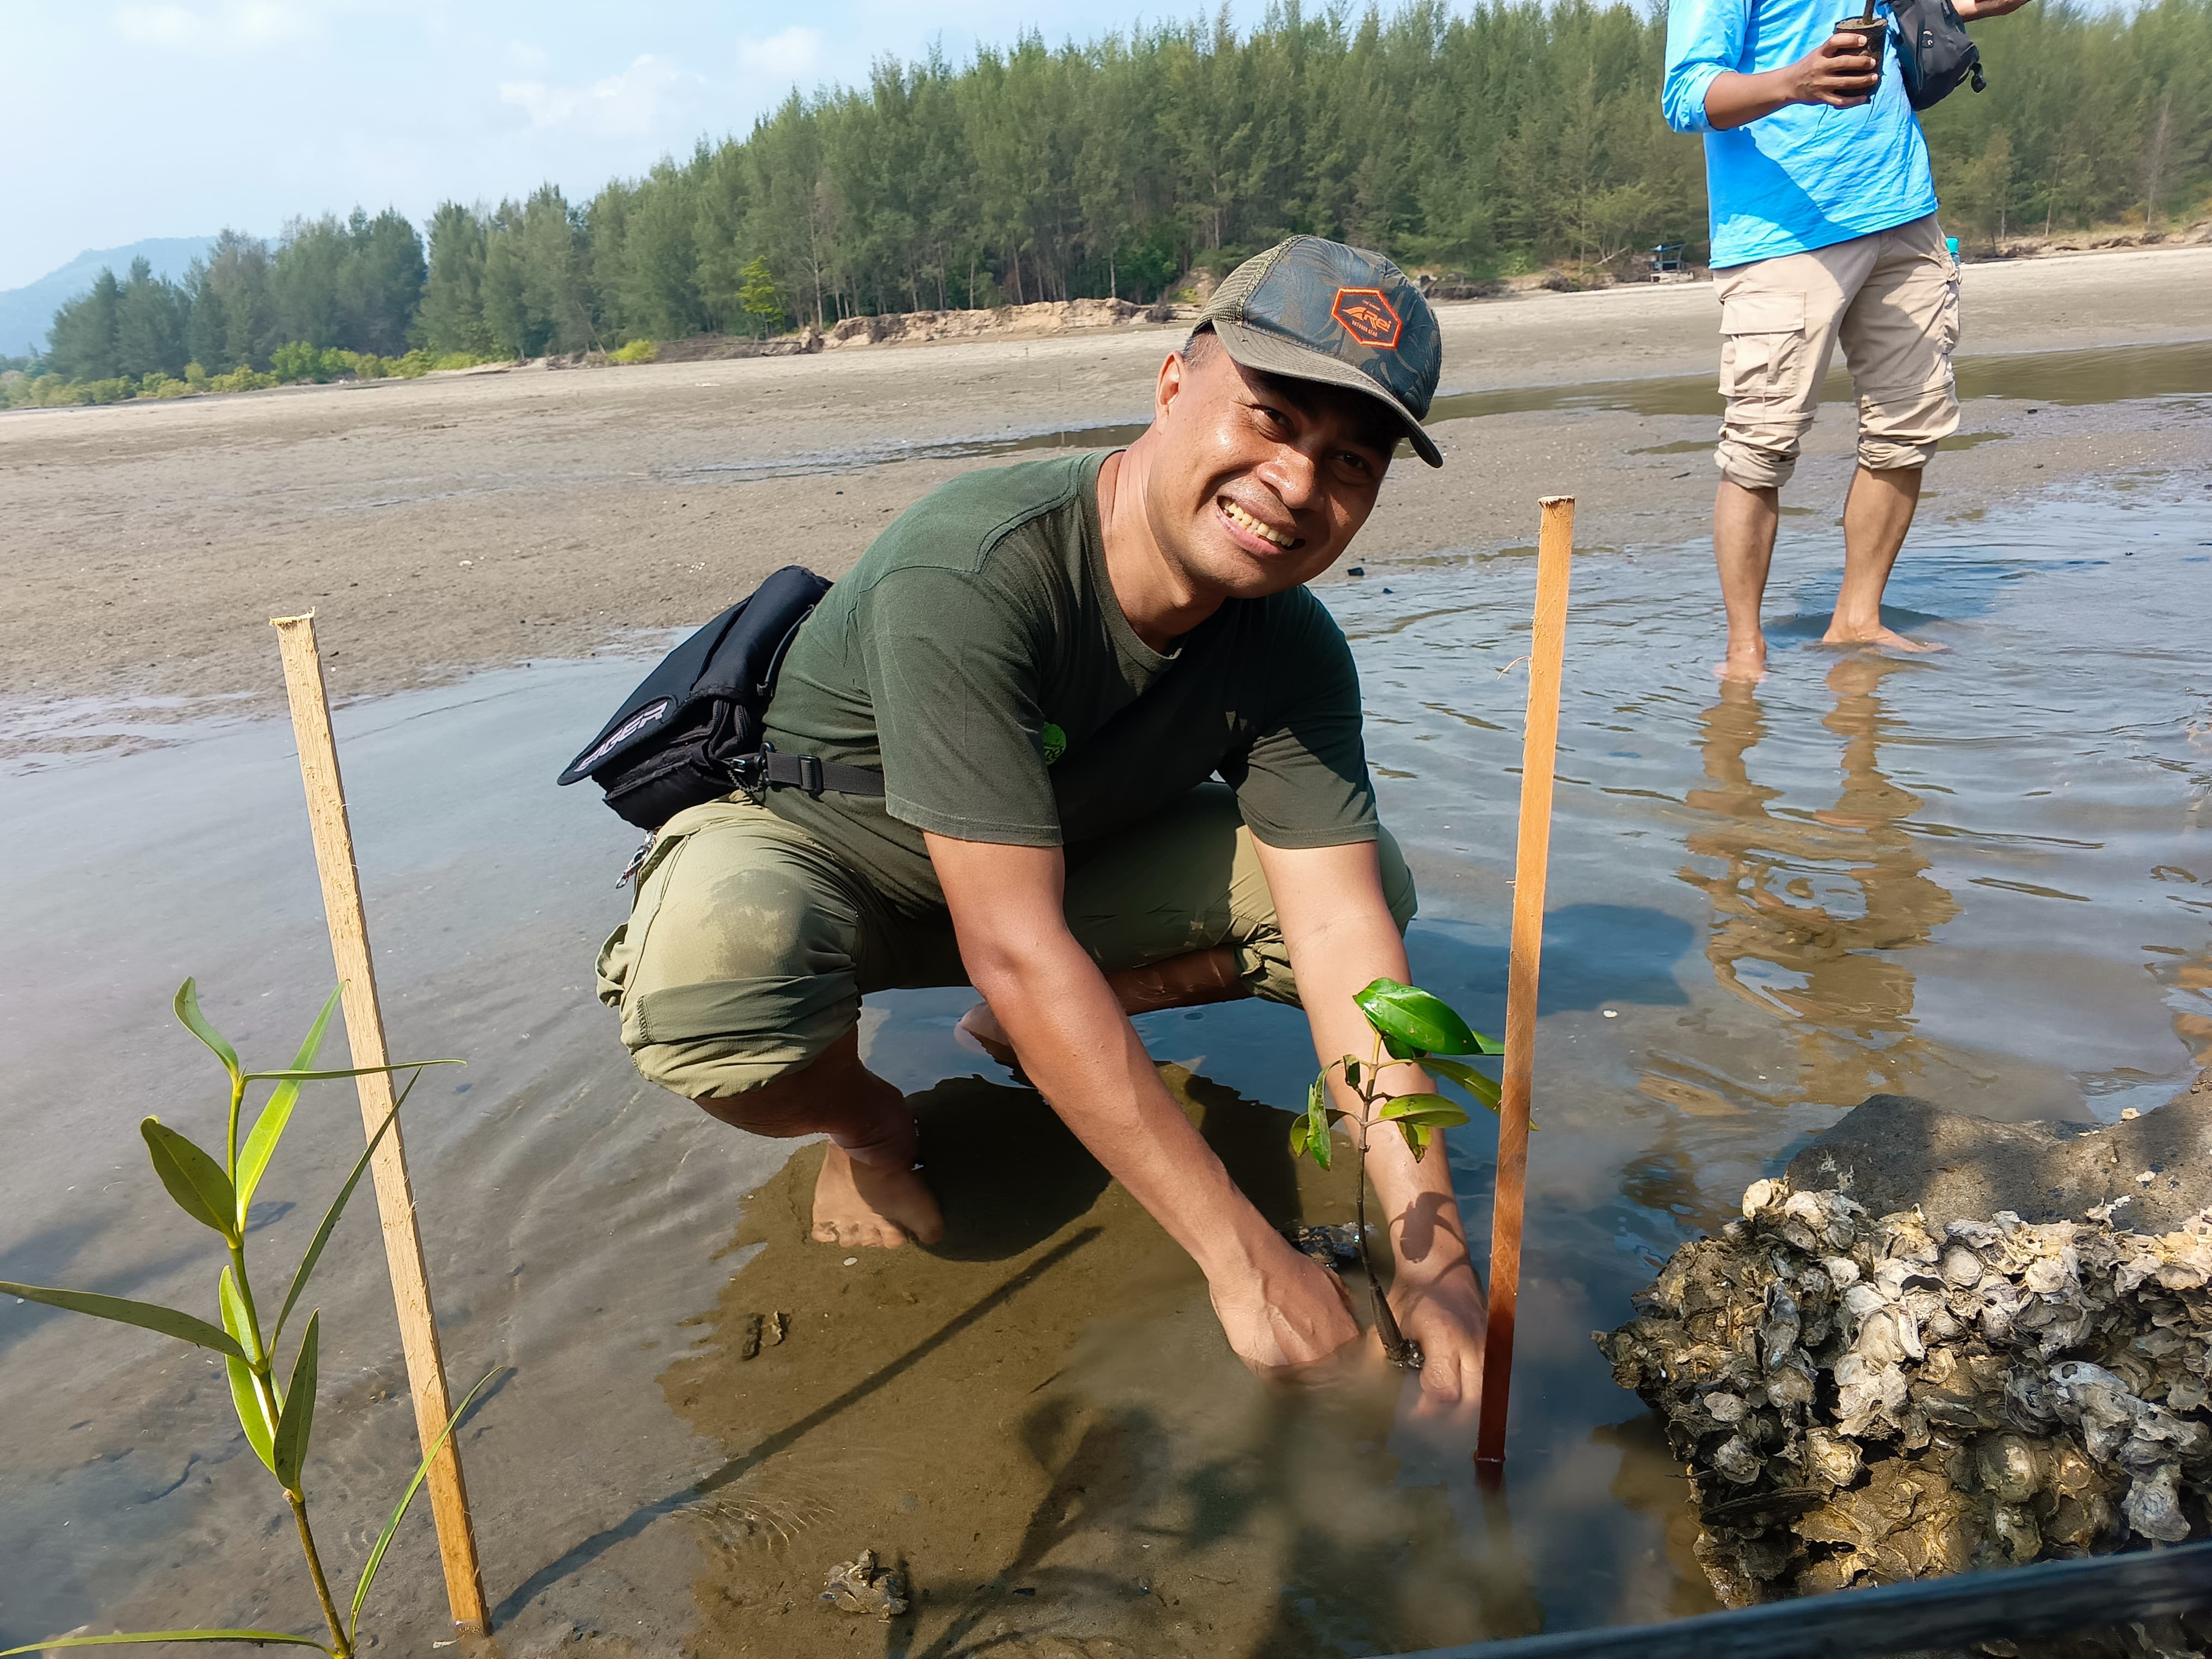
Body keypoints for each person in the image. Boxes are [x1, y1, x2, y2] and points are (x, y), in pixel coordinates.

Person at [595, 237, 1488, 1404]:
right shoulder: (976, 566)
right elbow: (1015, 947)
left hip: (1042, 874)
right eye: (1269, 419)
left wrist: (1436, 1263)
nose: (1296, 487)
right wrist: (1245, 1261)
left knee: (1368, 891)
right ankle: (867, 1128)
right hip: (840, 871)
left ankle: (1039, 1032)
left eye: (1350, 463)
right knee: (707, 985)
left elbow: (1342, 945)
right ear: (1173, 389)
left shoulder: (1292, 648)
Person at [1663, 0, 2032, 679]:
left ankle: (1857, 619)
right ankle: (1744, 650)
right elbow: (1685, 94)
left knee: (1905, 429)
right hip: (1779, 236)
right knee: (1758, 446)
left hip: (1903, 215)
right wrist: (1795, 81)